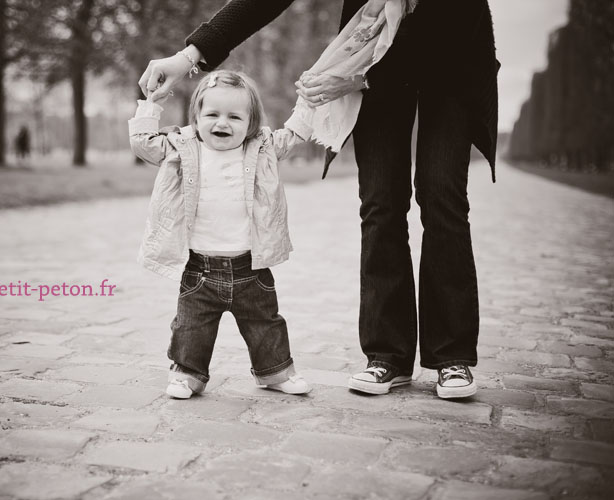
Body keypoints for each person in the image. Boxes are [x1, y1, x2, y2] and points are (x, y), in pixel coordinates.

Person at [139, 0, 499, 400]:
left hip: (451, 57)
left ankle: (452, 355)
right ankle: (388, 356)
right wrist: (189, 55)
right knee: (381, 202)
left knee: (441, 192)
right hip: (370, 49)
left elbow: (449, 27)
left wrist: (356, 76)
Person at [129, 70, 315, 399]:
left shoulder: (262, 149)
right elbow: (142, 143)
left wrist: (308, 100)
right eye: (212, 114)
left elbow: (295, 133)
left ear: (252, 122)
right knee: (191, 328)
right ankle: (188, 375)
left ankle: (275, 372)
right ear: (196, 116)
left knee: (265, 324)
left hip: (251, 268)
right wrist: (151, 104)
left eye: (234, 116)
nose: (222, 123)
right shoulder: (181, 148)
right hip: (199, 269)